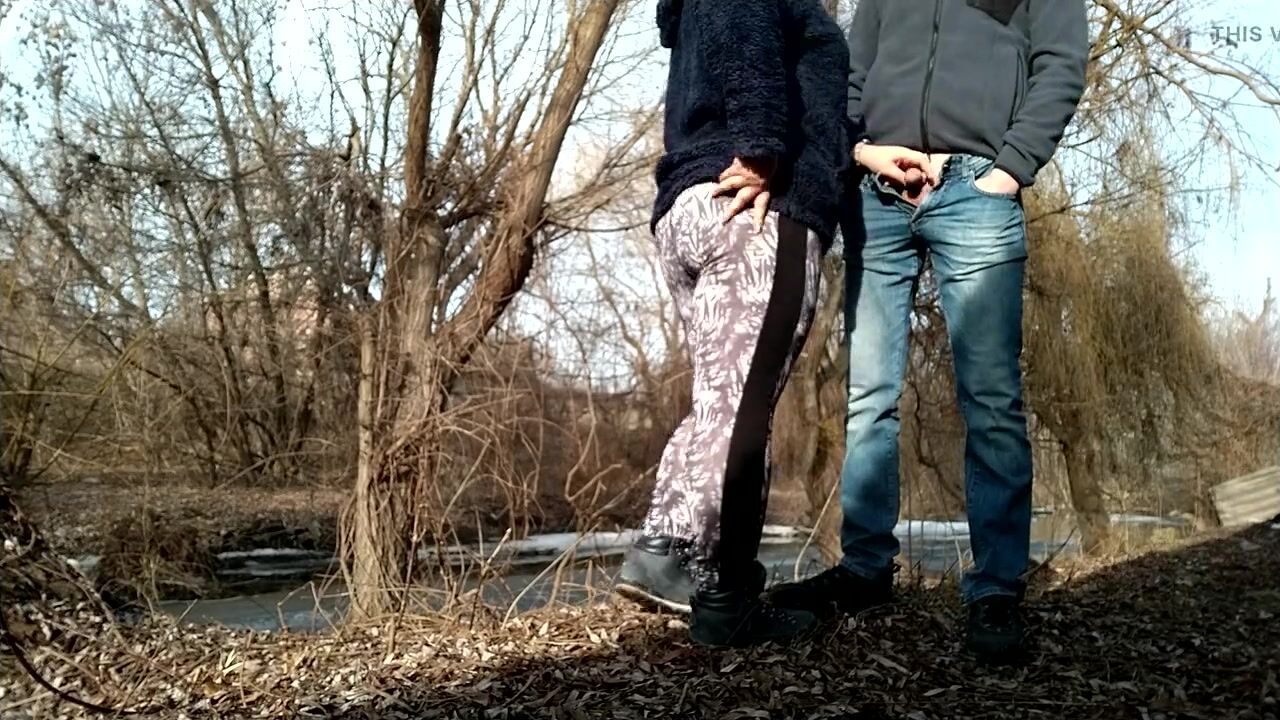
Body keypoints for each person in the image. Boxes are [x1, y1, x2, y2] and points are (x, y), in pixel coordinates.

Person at [767, 0, 1089, 664]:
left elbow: (1061, 64)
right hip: (877, 194)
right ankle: (865, 571)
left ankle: (995, 588)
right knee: (868, 397)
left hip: (977, 190)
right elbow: (852, 72)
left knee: (991, 399)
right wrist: (861, 151)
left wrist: (1009, 170)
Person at [613, 0, 850, 648]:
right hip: (755, 212)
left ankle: (669, 550)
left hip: (690, 207)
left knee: (721, 399)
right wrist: (762, 147)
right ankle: (724, 592)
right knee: (742, 408)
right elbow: (745, 24)